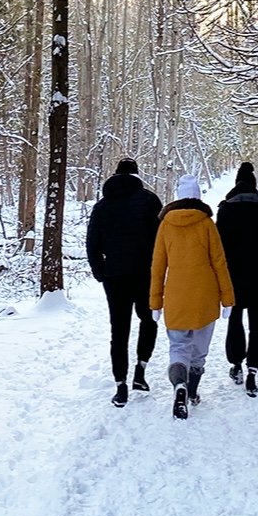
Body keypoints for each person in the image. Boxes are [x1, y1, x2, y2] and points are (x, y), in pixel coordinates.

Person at [150, 175, 234, 419]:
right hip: (205, 296)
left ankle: (179, 385)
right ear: (198, 196)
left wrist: (155, 301)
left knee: (178, 346)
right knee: (198, 351)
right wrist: (227, 298)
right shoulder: (207, 223)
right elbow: (219, 262)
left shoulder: (166, 224)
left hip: (176, 295)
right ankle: (193, 391)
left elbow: (158, 266)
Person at [86, 157, 163, 407]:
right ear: (136, 176)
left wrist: (100, 271)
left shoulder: (102, 206)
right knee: (148, 320)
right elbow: (161, 239)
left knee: (118, 329)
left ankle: (120, 385)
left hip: (115, 275)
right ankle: (140, 371)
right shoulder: (150, 201)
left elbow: (92, 243)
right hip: (146, 273)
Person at [215, 162, 258, 397]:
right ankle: (252, 370)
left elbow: (217, 246)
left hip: (233, 274)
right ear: (255, 185)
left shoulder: (225, 208)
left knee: (235, 319)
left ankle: (236, 364)